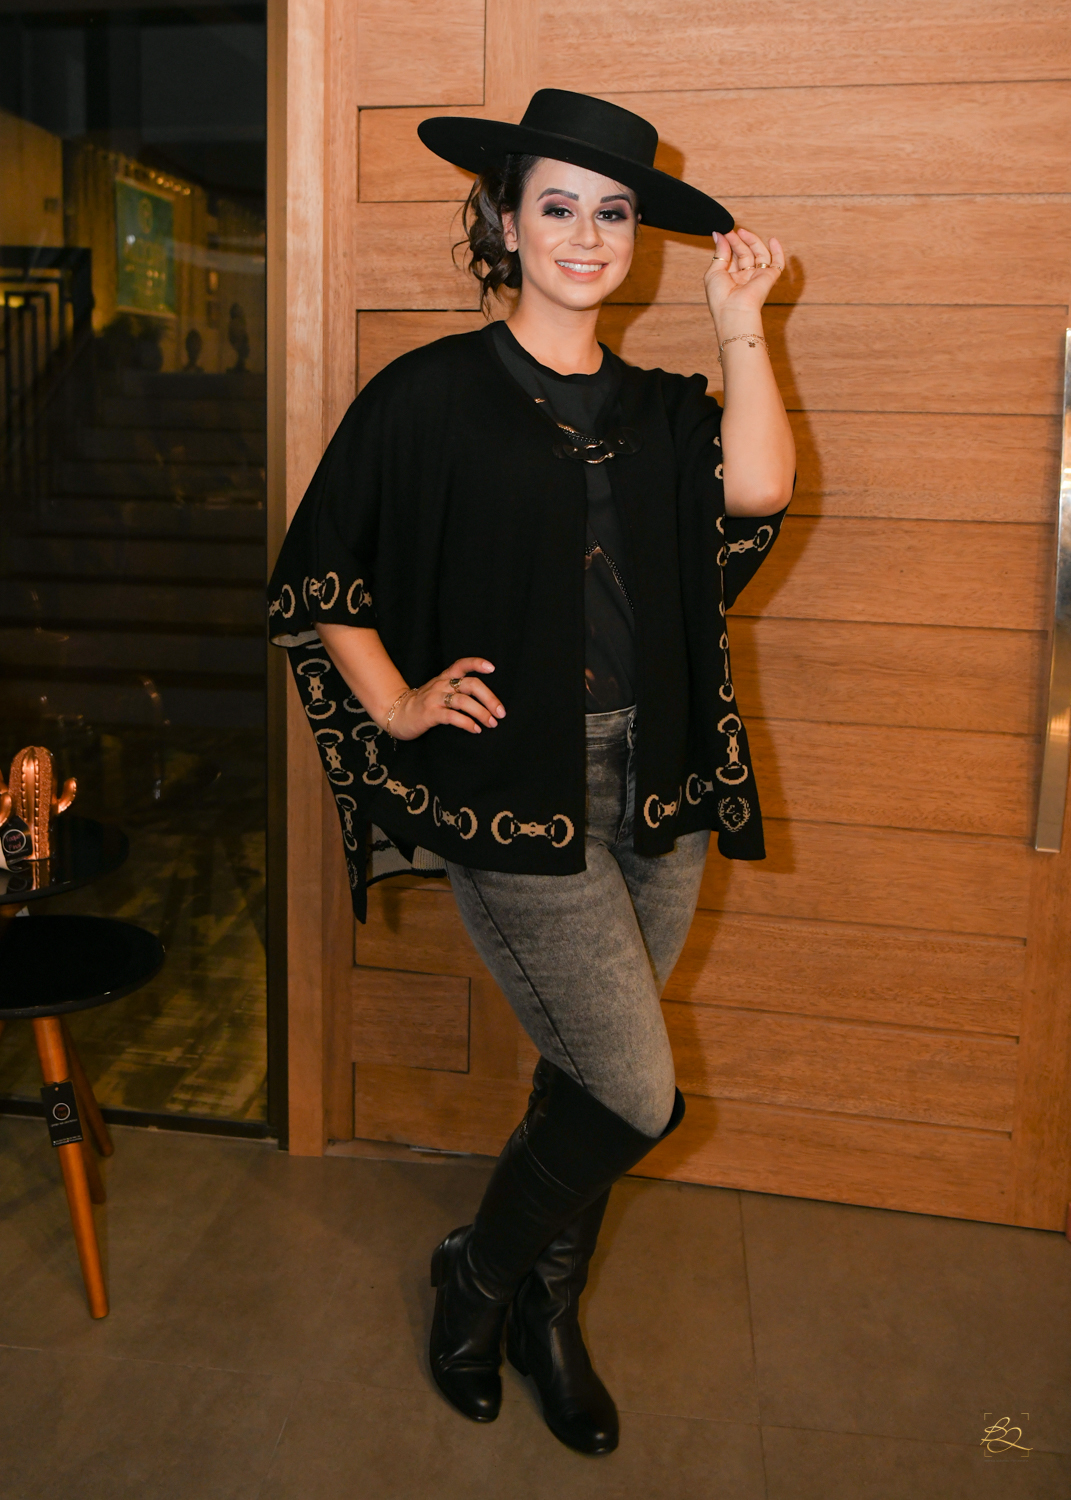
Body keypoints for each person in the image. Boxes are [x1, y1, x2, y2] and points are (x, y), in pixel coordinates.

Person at [267, 89, 794, 1455]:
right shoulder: (430, 394)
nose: (587, 233)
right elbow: (324, 564)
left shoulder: (664, 409)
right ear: (502, 222)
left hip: (660, 783)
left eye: (613, 211)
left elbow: (755, 494)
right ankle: (478, 1278)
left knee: (585, 1075)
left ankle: (548, 1312)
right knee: (636, 1089)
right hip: (511, 790)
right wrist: (396, 701)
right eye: (556, 205)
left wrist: (741, 324)